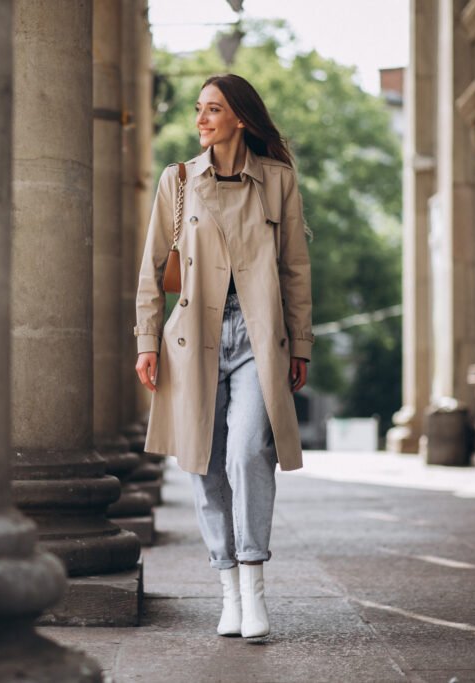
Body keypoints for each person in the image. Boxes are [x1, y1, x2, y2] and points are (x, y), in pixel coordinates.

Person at [133, 73, 314, 639]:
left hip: (259, 337)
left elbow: (295, 269)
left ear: (240, 116)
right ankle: (229, 591)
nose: (201, 119)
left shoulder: (278, 181)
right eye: (198, 109)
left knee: (249, 451)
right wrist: (146, 340)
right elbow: (151, 269)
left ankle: (255, 588)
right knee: (204, 462)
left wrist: (301, 343)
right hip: (193, 338)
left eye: (213, 109)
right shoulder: (179, 180)